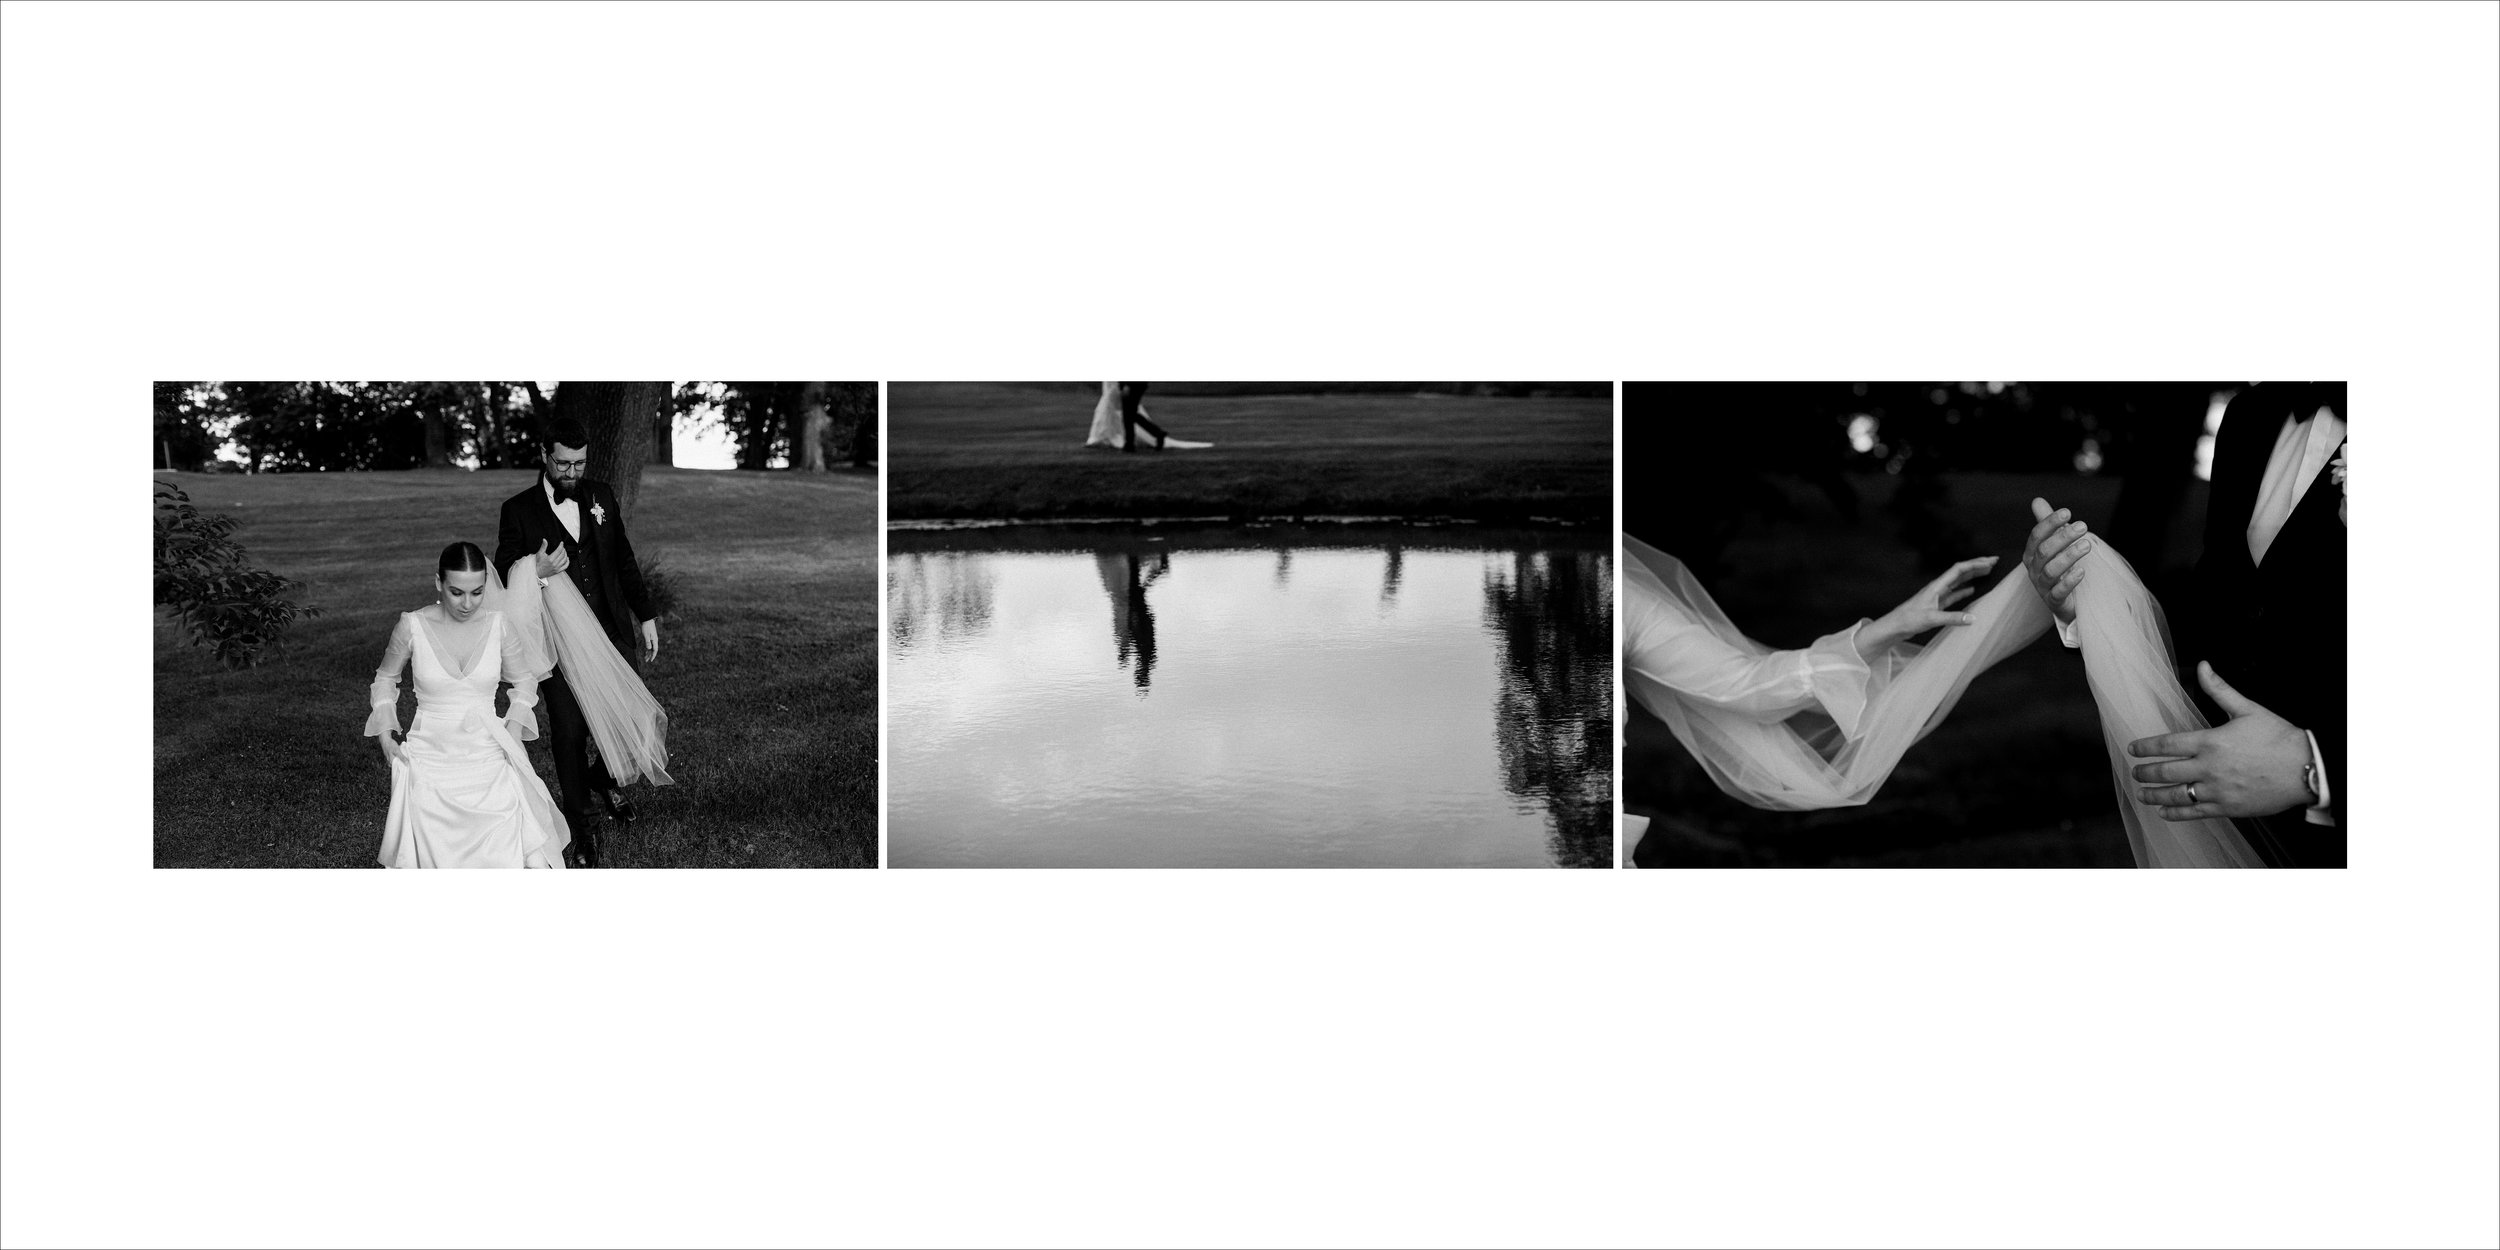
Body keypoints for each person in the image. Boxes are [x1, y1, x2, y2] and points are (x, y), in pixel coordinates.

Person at [2026, 382, 2345, 867]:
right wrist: (2090, 599)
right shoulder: (2252, 414)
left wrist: (2317, 767)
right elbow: (2230, 607)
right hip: (2226, 819)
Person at [495, 418, 671, 868]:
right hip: (556, 643)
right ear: (544, 457)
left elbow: (623, 558)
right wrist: (532, 568)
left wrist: (646, 613)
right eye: (564, 464)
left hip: (610, 630)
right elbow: (501, 576)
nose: (572, 472)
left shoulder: (602, 497)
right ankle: (584, 829)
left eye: (580, 463)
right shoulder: (518, 510)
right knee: (570, 733)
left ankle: (602, 777)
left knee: (636, 722)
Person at [366, 542, 568, 869]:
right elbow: (385, 679)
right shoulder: (412, 625)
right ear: (438, 583)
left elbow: (525, 681)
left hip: (488, 751)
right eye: (457, 592)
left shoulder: (498, 625)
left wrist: (513, 732)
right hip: (430, 755)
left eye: (477, 593)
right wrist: (386, 736)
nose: (467, 604)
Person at [1084, 381, 1214, 451]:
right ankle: (1155, 434)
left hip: (1133, 385)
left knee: (1129, 415)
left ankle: (1132, 443)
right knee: (1131, 415)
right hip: (1135, 385)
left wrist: (1127, 385)